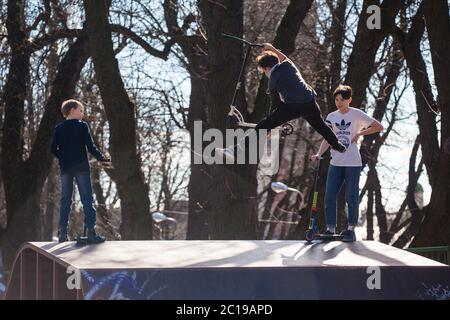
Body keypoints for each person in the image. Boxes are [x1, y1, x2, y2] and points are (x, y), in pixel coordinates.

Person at [216, 43, 346, 162]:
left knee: (263, 125)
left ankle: (236, 150)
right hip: (309, 101)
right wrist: (271, 48)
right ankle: (338, 145)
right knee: (321, 126)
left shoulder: (273, 80)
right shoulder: (289, 65)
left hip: (293, 106)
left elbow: (276, 104)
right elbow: (283, 57)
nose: (264, 74)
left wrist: (270, 122)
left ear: (266, 68)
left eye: (263, 71)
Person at [310, 85, 383, 242]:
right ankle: (330, 229)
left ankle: (350, 229)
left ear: (349, 99)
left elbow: (379, 126)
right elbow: (327, 138)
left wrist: (359, 133)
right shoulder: (332, 116)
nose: (339, 102)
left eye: (342, 99)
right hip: (335, 162)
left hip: (352, 163)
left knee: (351, 197)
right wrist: (318, 154)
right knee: (329, 197)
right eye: (336, 99)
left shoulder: (356, 114)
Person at [50, 99, 109, 243]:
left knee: (65, 200)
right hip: (81, 167)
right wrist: (101, 158)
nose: (83, 113)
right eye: (81, 110)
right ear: (72, 111)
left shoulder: (59, 128)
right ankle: (90, 232)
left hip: (66, 168)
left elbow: (53, 148)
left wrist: (63, 158)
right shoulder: (82, 126)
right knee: (87, 199)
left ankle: (62, 234)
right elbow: (90, 146)